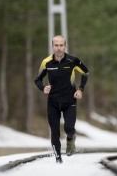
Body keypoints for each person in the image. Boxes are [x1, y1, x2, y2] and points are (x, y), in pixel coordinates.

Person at [34, 35, 89, 163]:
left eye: (61, 45)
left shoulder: (73, 60)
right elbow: (37, 79)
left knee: (69, 129)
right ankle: (58, 159)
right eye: (56, 45)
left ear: (65, 46)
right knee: (55, 131)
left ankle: (71, 140)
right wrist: (43, 88)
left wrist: (80, 89)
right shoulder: (46, 62)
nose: (59, 48)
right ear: (52, 46)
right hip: (53, 102)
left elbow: (86, 72)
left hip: (70, 101)